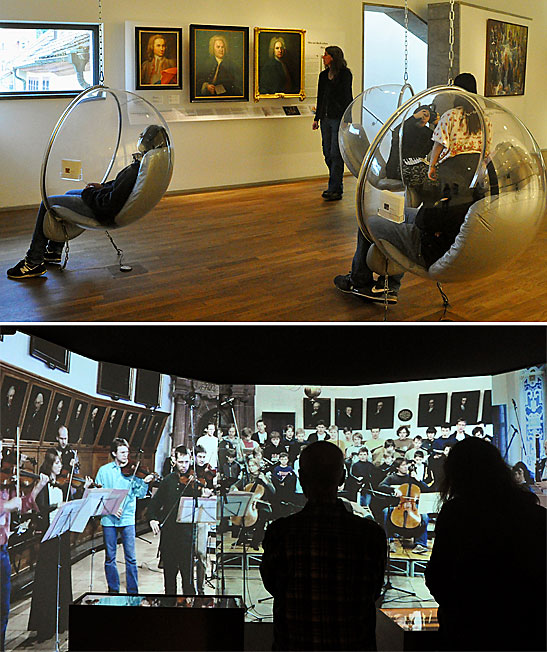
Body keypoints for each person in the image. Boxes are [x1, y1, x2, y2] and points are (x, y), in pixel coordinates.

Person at [334, 73, 487, 304]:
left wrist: (432, 168)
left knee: (379, 220)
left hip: (441, 181)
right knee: (408, 215)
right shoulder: (483, 119)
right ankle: (385, 284)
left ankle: (365, 280)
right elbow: (484, 151)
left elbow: (436, 148)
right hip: (462, 181)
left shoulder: (451, 117)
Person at [260, 441, 387, 651]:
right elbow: (373, 591)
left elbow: (274, 585)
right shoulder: (371, 534)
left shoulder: (280, 531)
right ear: (343, 478)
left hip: (295, 644)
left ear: (301, 478)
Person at [425, 438, 546, 651]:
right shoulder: (537, 514)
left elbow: (438, 576)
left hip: (468, 630)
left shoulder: (456, 514)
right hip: (529, 629)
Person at [7, 125, 169, 280]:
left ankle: (33, 262)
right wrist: (102, 187)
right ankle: (54, 251)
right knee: (69, 194)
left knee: (47, 204)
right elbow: (119, 187)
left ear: (146, 142)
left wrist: (90, 193)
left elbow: (109, 204)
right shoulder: (146, 166)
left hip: (102, 211)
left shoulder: (135, 170)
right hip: (106, 204)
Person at [28, 449, 92, 643]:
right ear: (49, 465)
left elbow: (74, 502)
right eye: (56, 463)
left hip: (62, 536)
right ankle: (44, 625)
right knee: (47, 580)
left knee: (63, 577)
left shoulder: (63, 484)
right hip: (49, 539)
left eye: (60, 463)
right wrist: (43, 490)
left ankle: (61, 620)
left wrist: (85, 489)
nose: (60, 466)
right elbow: (34, 505)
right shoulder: (44, 484)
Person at [0, 438, 48, 651]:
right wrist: (6, 506)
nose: (1, 458)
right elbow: (8, 507)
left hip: (2, 551)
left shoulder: (6, 482)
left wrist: (37, 488)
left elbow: (24, 506)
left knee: (3, 609)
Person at [95, 438, 155, 594]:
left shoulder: (133, 470)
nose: (126, 456)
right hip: (109, 519)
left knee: (131, 557)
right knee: (110, 558)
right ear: (114, 453)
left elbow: (140, 494)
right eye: (122, 452)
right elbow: (98, 496)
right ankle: (113, 590)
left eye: (127, 452)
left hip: (127, 518)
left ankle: (133, 591)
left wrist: (145, 483)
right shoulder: (104, 471)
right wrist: (111, 508)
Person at [148, 445, 197, 595]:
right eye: (181, 462)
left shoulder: (194, 481)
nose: (184, 466)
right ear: (174, 461)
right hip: (169, 535)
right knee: (169, 579)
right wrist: (152, 519)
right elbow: (154, 505)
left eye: (187, 462)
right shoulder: (168, 480)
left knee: (188, 580)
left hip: (187, 536)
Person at [312, 46, 353, 201]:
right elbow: (320, 97)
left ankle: (335, 188)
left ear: (333, 57)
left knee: (336, 154)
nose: (323, 57)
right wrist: (317, 118)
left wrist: (347, 119)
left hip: (338, 118)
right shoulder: (323, 75)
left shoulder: (345, 74)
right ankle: (335, 185)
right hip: (326, 119)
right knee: (327, 152)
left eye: (326, 55)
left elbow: (347, 96)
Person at [380, 458, 430, 554]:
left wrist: (418, 480)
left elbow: (427, 489)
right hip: (397, 505)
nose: (406, 467)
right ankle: (389, 541)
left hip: (412, 506)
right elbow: (381, 486)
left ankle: (421, 544)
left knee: (424, 516)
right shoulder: (392, 477)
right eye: (403, 465)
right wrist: (393, 490)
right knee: (386, 512)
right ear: (398, 468)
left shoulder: (412, 478)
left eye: (406, 465)